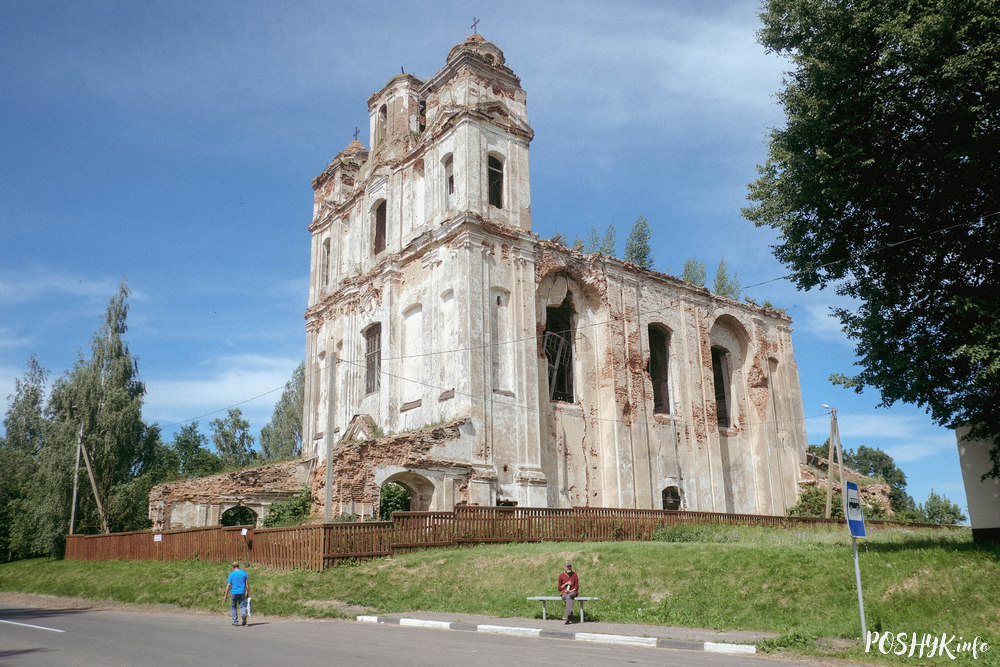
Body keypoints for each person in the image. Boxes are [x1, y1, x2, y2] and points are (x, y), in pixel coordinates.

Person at [223, 561, 250, 626]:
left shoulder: (231, 574)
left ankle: (235, 622)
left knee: (233, 607)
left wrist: (225, 595)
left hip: (234, 592)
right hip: (242, 591)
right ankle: (243, 613)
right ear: (238, 566)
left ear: (233, 567)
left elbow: (229, 585)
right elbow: (247, 584)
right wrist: (248, 593)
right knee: (242, 605)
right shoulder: (244, 573)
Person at [557, 560, 579, 624]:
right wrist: (566, 584)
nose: (568, 567)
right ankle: (570, 615)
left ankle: (567, 615)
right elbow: (559, 588)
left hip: (572, 592)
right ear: (564, 567)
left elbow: (577, 587)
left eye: (569, 566)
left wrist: (570, 590)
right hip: (564, 592)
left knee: (569, 596)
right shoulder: (561, 575)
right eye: (567, 566)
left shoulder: (574, 575)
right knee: (567, 596)